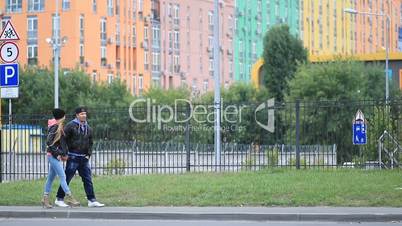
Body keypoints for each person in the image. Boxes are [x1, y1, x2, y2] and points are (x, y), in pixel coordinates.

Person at [55, 107, 105, 208]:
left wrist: (89, 154)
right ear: (77, 115)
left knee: (87, 179)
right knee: (67, 178)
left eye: (85, 114)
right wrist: (65, 152)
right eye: (82, 114)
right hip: (73, 156)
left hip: (84, 158)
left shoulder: (88, 127)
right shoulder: (70, 126)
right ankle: (59, 199)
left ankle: (92, 200)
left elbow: (90, 142)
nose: (84, 115)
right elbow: (62, 138)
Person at [42, 108, 80, 208]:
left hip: (54, 155)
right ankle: (70, 197)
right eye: (64, 115)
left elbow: (60, 143)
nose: (65, 116)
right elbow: (49, 142)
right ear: (62, 116)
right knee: (63, 176)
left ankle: (45, 199)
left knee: (50, 178)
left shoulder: (58, 126)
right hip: (53, 156)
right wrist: (58, 154)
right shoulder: (55, 127)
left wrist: (63, 153)